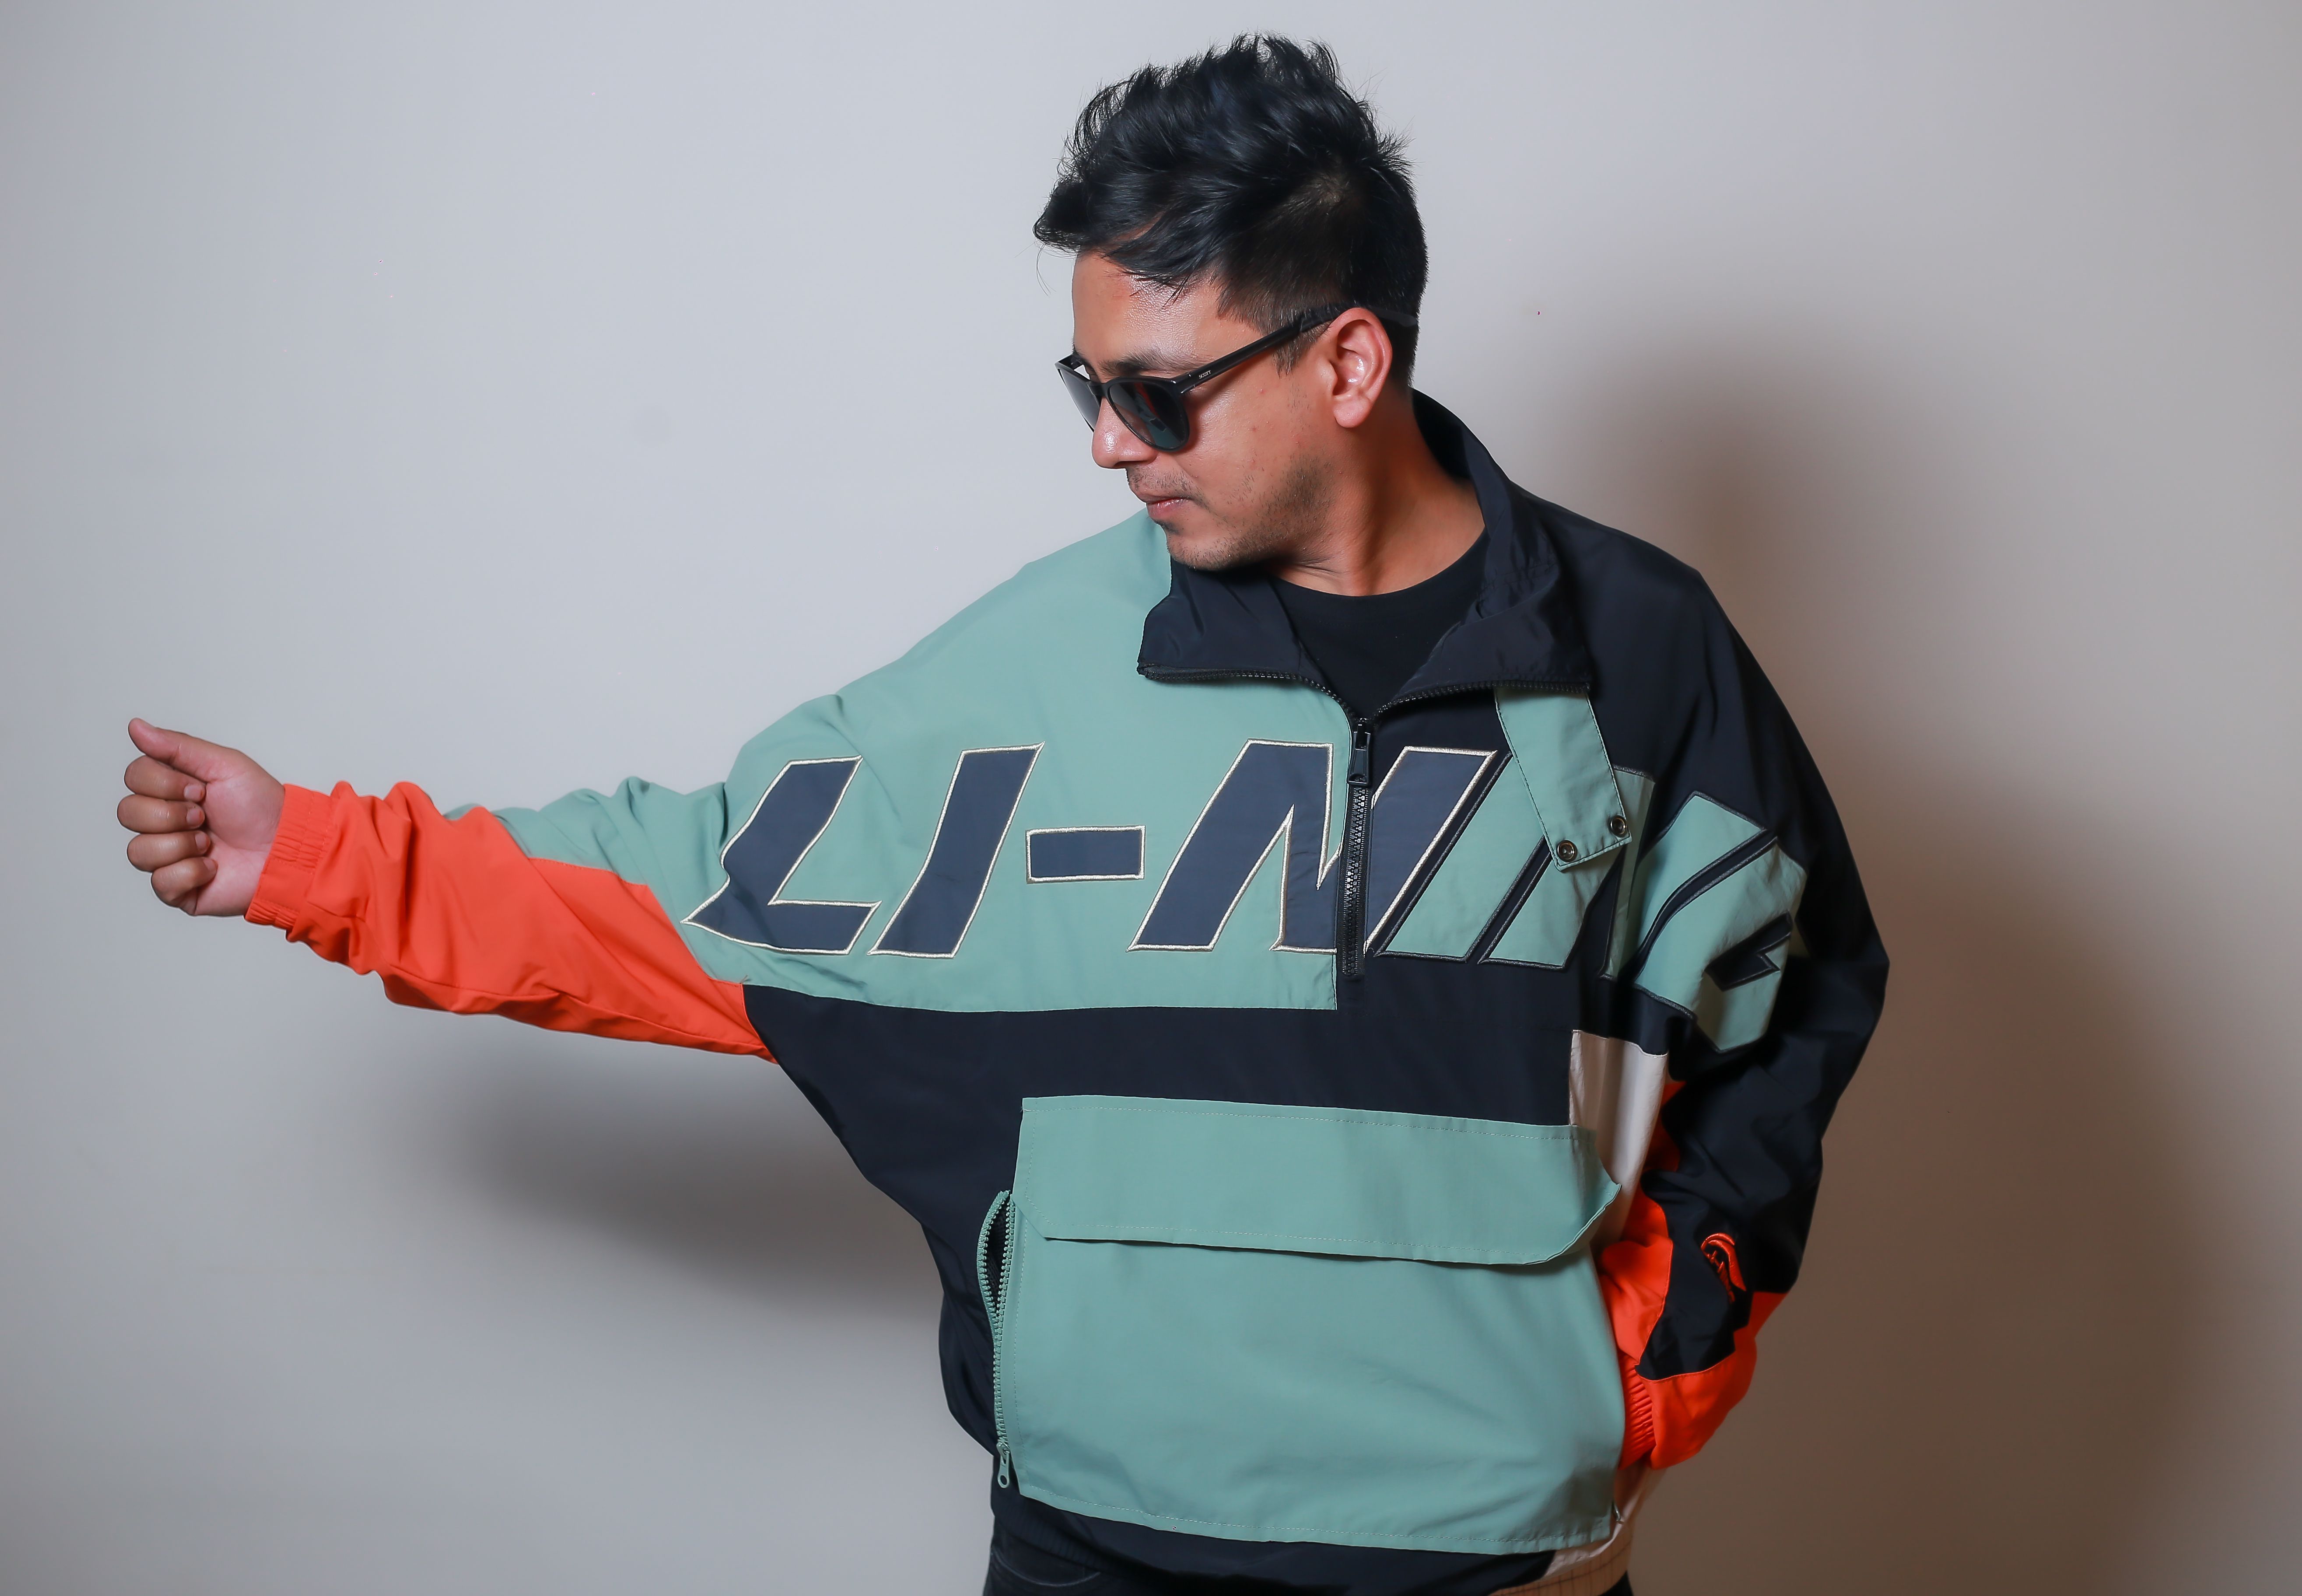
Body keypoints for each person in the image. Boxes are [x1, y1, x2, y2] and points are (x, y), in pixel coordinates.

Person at [116, 36, 1885, 1596]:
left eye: (1158, 392)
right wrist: (315, 856)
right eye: (1087, 386)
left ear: (1349, 364)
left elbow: (1795, 993)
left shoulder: (1640, 656)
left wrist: (1661, 1347)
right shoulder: (1034, 672)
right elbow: (698, 890)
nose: (1110, 444)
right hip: (1102, 1548)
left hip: (1494, 1548)